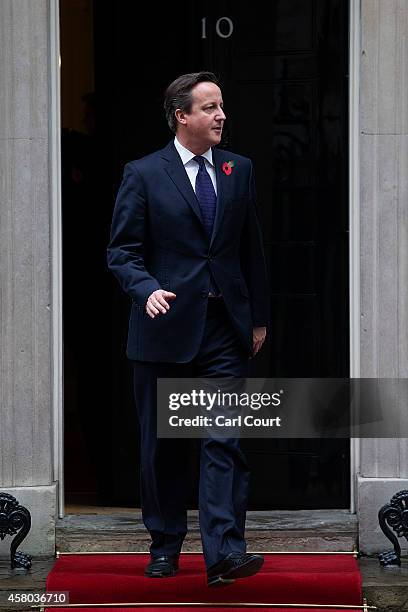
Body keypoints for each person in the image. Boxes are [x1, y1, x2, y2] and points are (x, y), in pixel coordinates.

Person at [107, 71, 268, 587]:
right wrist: (145, 287)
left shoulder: (237, 169)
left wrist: (257, 317)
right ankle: (165, 543)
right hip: (163, 331)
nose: (222, 116)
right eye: (210, 108)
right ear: (182, 116)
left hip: (224, 328)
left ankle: (224, 552)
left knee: (224, 439)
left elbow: (251, 250)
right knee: (164, 447)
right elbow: (121, 251)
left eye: (222, 107)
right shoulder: (144, 173)